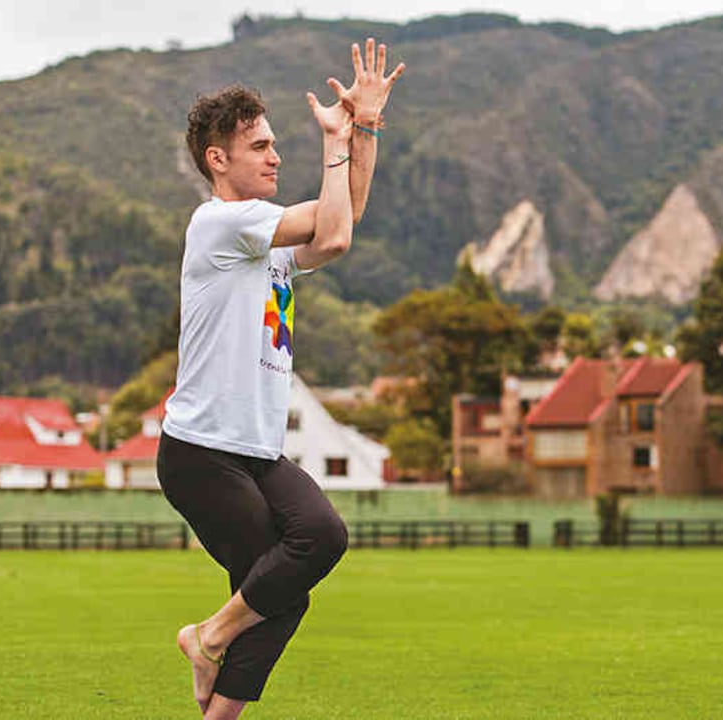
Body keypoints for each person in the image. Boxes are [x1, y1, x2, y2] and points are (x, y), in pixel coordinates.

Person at [156, 40, 404, 719]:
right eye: (261, 147)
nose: (275, 156)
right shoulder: (220, 225)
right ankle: (207, 639)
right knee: (281, 585)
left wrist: (366, 130)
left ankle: (209, 639)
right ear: (219, 159)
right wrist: (335, 140)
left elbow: (337, 229)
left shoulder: (263, 240)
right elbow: (331, 222)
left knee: (316, 543)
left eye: (274, 144)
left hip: (256, 449)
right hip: (202, 452)